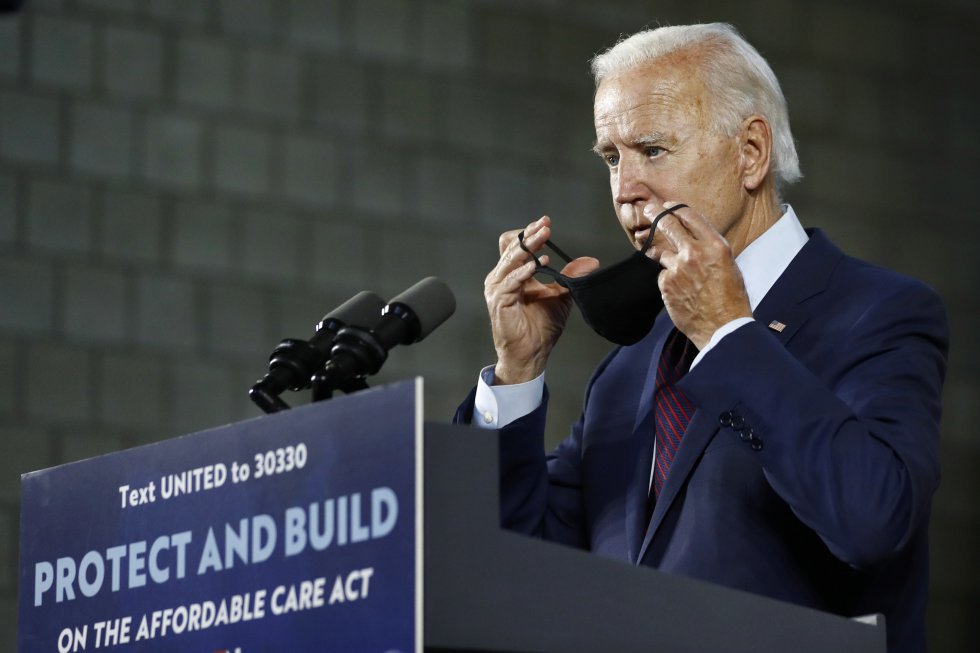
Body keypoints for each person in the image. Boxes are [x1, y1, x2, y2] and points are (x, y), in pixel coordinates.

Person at [454, 23, 948, 653]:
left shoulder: (878, 312)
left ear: (750, 153)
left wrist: (728, 334)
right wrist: (517, 376)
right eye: (612, 157)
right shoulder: (628, 370)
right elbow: (516, 573)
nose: (626, 189)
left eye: (652, 150)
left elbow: (873, 521)